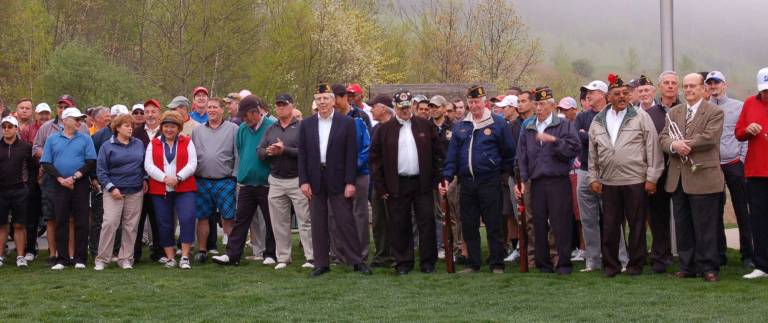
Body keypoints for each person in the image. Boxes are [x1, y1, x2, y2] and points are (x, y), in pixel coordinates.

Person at [587, 74, 664, 277]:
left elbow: (653, 147)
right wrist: (593, 177)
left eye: (624, 93)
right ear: (608, 96)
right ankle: (611, 266)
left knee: (637, 225)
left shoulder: (640, 116)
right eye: (617, 94)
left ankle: (635, 265)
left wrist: (652, 178)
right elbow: (592, 152)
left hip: (635, 180)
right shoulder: (598, 120)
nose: (622, 97)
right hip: (609, 181)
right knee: (610, 226)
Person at [440, 85, 516, 274]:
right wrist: (447, 178)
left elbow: (509, 153)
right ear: (467, 103)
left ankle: (497, 263)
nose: (474, 106)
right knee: (469, 224)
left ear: (485, 102)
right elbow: (452, 156)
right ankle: (473, 263)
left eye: (477, 102)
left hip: (490, 181)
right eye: (471, 102)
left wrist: (505, 175)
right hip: (467, 182)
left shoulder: (498, 123)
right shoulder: (461, 126)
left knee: (494, 224)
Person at [298, 83, 371, 277]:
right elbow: (302, 155)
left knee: (345, 221)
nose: (322, 102)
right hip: (315, 179)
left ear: (333, 101)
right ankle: (321, 263)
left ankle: (357, 261)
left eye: (326, 98)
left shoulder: (346, 123)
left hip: (339, 178)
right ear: (315, 101)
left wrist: (350, 182)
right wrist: (303, 181)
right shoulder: (306, 124)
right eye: (318, 99)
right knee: (318, 223)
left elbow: (351, 154)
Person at [660, 73, 725, 282]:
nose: (688, 90)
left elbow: (710, 136)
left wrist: (685, 144)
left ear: (703, 89)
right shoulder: (674, 112)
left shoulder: (715, 111)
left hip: (703, 176)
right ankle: (688, 266)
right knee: (683, 225)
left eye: (693, 86)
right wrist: (672, 145)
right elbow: (663, 137)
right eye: (685, 87)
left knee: (705, 226)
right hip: (678, 177)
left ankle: (709, 267)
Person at [372, 89, 443, 275]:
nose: (405, 110)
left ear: (412, 105)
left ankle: (428, 263)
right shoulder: (384, 130)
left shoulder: (425, 126)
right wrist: (381, 187)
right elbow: (375, 160)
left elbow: (438, 154)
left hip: (422, 183)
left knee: (426, 222)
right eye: (400, 107)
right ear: (394, 107)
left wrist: (435, 179)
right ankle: (403, 263)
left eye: (407, 106)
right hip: (397, 184)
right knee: (399, 224)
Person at [515, 86, 580, 275]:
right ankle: (543, 264)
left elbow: (573, 148)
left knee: (561, 223)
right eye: (537, 104)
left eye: (542, 104)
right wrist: (522, 180)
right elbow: (521, 156)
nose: (539, 108)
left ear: (552, 106)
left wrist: (553, 140)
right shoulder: (527, 126)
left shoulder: (564, 125)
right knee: (538, 223)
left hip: (558, 180)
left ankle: (564, 263)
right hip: (536, 182)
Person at [212, 95, 276, 266]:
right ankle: (233, 255)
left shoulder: (271, 127)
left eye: (246, 115)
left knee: (271, 221)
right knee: (241, 221)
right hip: (246, 183)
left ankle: (271, 254)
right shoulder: (242, 129)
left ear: (256, 112)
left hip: (266, 183)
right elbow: (241, 150)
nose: (244, 119)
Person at [574, 80, 628, 272]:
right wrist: (590, 137)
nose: (588, 94)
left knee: (612, 218)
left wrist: (588, 136)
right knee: (588, 219)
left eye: (592, 91)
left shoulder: (611, 115)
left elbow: (608, 141)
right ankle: (593, 261)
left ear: (603, 94)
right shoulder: (581, 116)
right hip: (584, 172)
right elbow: (576, 138)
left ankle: (622, 260)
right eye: (587, 92)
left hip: (608, 172)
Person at [257, 93, 314, 269]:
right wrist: (270, 152)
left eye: (284, 104)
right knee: (279, 221)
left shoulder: (302, 126)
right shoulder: (271, 128)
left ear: (291, 106)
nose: (280, 107)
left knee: (305, 220)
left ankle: (311, 257)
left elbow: (308, 152)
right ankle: (283, 257)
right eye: (278, 105)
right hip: (276, 180)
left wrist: (285, 150)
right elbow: (259, 151)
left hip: (297, 179)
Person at [705, 71, 754, 268]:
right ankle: (719, 253)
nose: (713, 86)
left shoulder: (738, 106)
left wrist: (741, 159)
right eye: (710, 83)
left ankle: (748, 254)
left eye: (717, 83)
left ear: (725, 85)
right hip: (712, 165)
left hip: (734, 163)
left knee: (742, 209)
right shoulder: (704, 108)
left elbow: (744, 133)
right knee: (714, 210)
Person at [40, 107, 97, 270]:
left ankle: (80, 258)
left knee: (81, 221)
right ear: (65, 120)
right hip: (58, 184)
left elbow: (91, 161)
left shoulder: (86, 138)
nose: (80, 122)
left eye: (81, 119)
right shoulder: (52, 139)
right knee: (61, 220)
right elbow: (46, 162)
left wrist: (74, 177)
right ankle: (62, 258)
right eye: (76, 119)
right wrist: (61, 179)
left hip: (80, 184)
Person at [145, 111, 198, 269]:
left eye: (173, 126)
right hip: (160, 189)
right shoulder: (153, 143)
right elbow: (148, 165)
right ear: (161, 127)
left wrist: (179, 177)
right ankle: (170, 257)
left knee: (187, 219)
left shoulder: (187, 141)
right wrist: (165, 178)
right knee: (164, 222)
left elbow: (192, 163)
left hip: (184, 187)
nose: (169, 129)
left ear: (179, 128)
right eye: (166, 126)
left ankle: (185, 256)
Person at [94, 114, 147, 270]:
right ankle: (102, 259)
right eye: (126, 125)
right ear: (117, 128)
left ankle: (125, 258)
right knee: (110, 223)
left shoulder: (138, 144)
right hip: (113, 191)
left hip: (135, 190)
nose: (130, 128)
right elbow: (101, 170)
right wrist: (111, 187)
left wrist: (145, 178)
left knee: (131, 226)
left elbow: (144, 165)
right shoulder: (106, 146)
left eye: (131, 125)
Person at [191, 97, 239, 263]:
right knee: (202, 217)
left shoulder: (233, 129)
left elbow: (237, 154)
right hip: (202, 180)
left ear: (221, 110)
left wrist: (235, 175)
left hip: (225, 179)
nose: (211, 110)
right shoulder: (197, 130)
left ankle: (230, 250)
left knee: (228, 216)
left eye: (215, 107)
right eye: (209, 107)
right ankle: (202, 250)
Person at [637, 74, 675, 273]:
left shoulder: (663, 113)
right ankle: (639, 255)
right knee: (637, 218)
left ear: (654, 92)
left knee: (659, 218)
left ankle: (661, 256)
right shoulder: (631, 114)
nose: (644, 93)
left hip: (659, 172)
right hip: (636, 172)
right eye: (640, 90)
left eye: (647, 90)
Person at [332, 84, 371, 262]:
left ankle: (360, 254)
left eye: (335, 100)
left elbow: (367, 146)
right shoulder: (329, 118)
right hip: (336, 174)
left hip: (359, 173)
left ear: (344, 98)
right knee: (336, 214)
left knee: (359, 214)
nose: (333, 104)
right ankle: (339, 254)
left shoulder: (360, 117)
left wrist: (352, 167)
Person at [735, 67, 768, 279]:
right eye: (765, 90)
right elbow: (738, 133)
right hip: (756, 172)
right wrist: (748, 130)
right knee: (758, 220)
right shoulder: (749, 103)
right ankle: (762, 265)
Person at [0, 116, 35, 267]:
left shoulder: (25, 147)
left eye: (10, 126)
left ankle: (20, 256)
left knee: (19, 225)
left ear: (16, 128)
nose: (6, 129)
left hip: (20, 190)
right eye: (4, 127)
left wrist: (28, 188)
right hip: (1, 192)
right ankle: (0, 256)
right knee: (1, 225)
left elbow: (33, 169)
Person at [133, 99, 163, 262]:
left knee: (159, 218)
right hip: (140, 182)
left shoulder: (165, 132)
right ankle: (135, 253)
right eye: (147, 112)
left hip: (160, 182)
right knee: (138, 219)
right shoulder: (136, 133)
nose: (150, 115)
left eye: (153, 111)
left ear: (159, 113)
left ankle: (159, 252)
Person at [368, 95, 395, 268]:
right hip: (377, 181)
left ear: (384, 108)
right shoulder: (376, 128)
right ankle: (381, 255)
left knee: (394, 219)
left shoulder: (396, 127)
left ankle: (396, 255)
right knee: (378, 221)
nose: (371, 109)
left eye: (374, 106)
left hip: (394, 182)